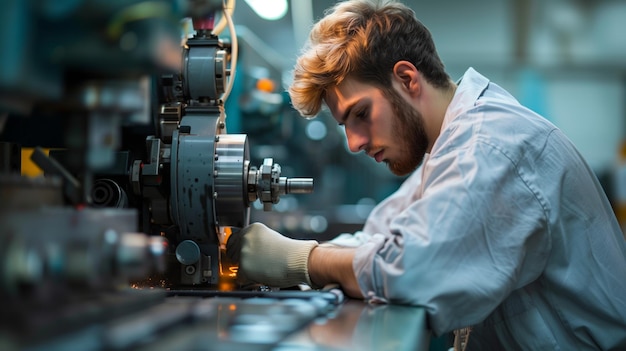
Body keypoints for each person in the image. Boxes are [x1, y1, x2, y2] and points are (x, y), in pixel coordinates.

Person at [226, 0, 626, 349]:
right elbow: (381, 235)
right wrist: (282, 255)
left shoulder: (489, 147)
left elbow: (408, 271)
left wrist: (302, 260)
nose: (353, 143)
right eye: (345, 125)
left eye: (361, 114)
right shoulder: (450, 146)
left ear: (407, 78)